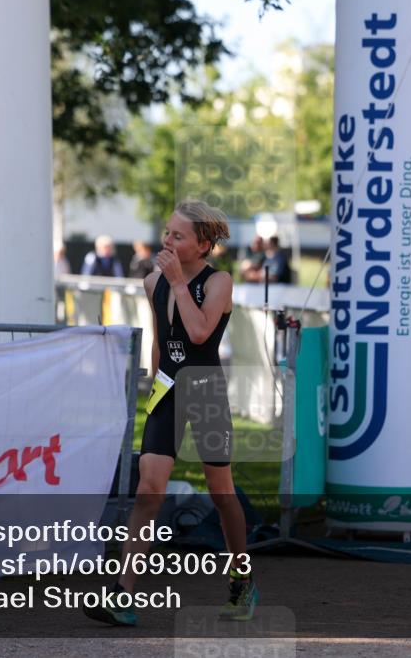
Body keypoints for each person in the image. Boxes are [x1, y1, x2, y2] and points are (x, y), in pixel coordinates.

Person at [83, 200, 257, 626]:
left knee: (222, 493)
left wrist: (180, 283)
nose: (167, 241)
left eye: (178, 236)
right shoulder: (153, 282)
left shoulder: (220, 282)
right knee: (149, 488)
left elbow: (199, 334)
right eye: (167, 232)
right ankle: (124, 594)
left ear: (204, 245)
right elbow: (163, 338)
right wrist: (156, 385)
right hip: (170, 389)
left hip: (206, 392)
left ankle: (242, 579)